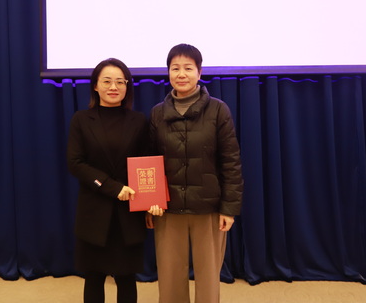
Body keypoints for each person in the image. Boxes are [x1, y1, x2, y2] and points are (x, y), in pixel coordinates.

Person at [146, 44, 244, 303]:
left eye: (188, 68)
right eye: (175, 68)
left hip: (208, 208)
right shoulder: (157, 113)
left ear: (199, 72)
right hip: (168, 208)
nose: (181, 74)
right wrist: (149, 203)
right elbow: (150, 162)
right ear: (168, 72)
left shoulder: (218, 110)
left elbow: (231, 162)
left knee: (209, 278)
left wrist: (229, 209)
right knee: (169, 278)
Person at [67, 58, 164, 303]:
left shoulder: (138, 120)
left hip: (128, 212)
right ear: (95, 86)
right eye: (107, 81)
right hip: (94, 210)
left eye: (120, 82)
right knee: (93, 277)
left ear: (127, 86)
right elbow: (76, 163)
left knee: (126, 277)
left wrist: (150, 203)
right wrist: (113, 188)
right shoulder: (81, 119)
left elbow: (146, 163)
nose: (114, 87)